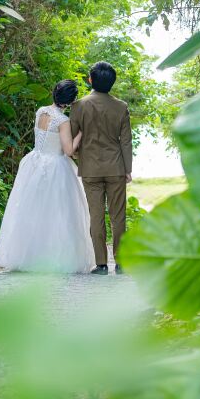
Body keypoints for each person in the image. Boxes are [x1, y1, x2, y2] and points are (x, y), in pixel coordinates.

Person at [0, 80, 96, 273]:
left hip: (34, 162)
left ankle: (29, 256)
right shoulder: (63, 121)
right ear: (71, 101)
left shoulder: (41, 111)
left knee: (33, 211)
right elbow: (69, 150)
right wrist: (81, 132)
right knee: (58, 213)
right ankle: (53, 258)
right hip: (55, 166)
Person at [70, 61, 132, 275]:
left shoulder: (78, 106)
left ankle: (102, 264)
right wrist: (128, 168)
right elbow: (125, 141)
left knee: (96, 216)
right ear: (112, 83)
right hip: (116, 166)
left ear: (91, 80)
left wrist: (81, 157)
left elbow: (73, 138)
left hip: (90, 168)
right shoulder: (121, 106)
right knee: (118, 216)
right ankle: (122, 263)